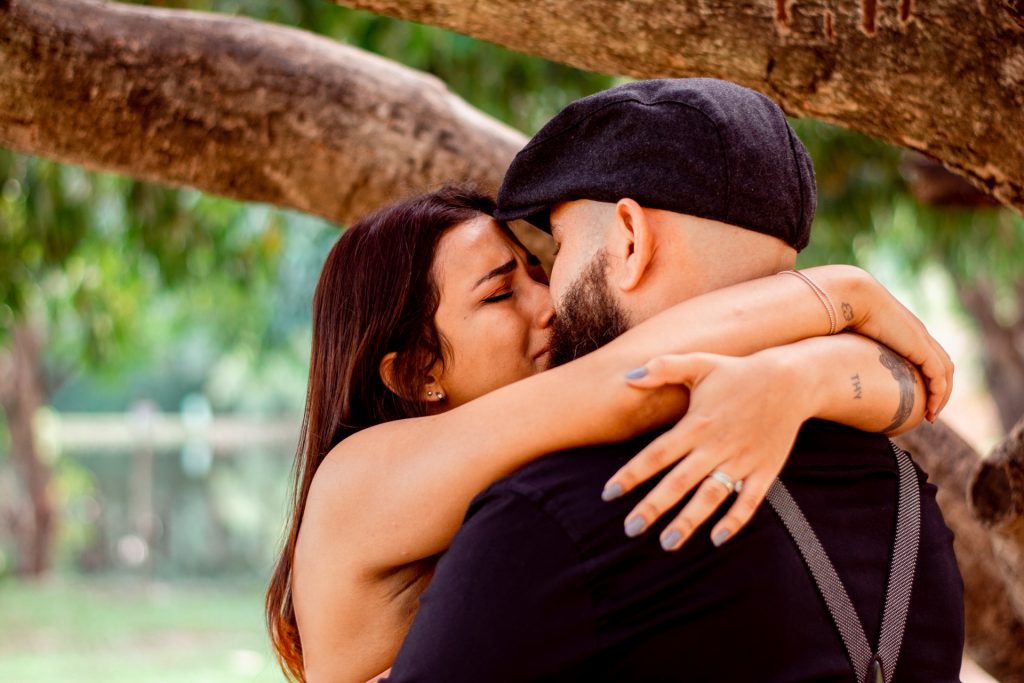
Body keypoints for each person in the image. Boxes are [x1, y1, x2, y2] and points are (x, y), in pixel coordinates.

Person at [380, 80, 964, 682]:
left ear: (630, 240)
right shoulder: (909, 499)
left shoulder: (549, 519)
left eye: (561, 248)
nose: (551, 297)